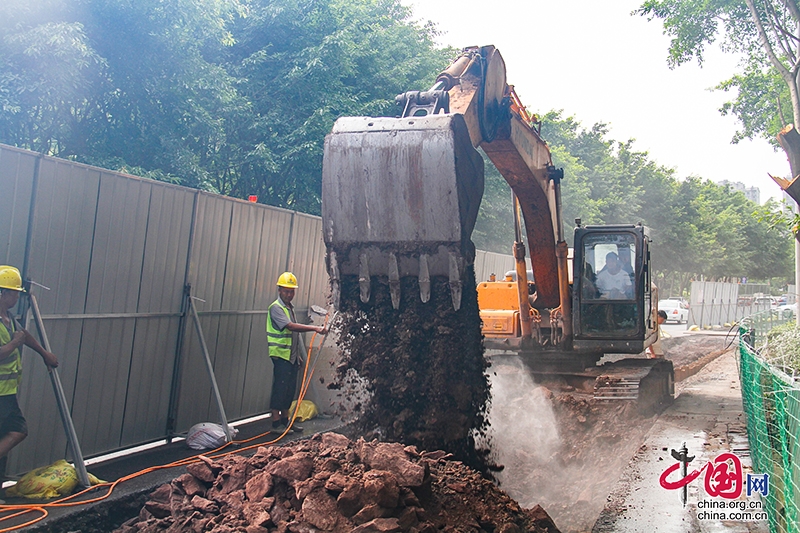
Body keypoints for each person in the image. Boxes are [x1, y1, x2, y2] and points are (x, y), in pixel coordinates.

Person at [0, 266, 58, 491]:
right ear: (2, 293)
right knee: (17, 430)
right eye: (14, 293)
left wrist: (45, 354)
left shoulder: (8, 318)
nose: (17, 297)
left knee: (14, 431)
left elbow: (24, 335)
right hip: (1, 393)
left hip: (7, 391)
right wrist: (14, 343)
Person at [267, 272, 327, 433]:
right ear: (279, 290)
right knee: (280, 388)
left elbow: (292, 335)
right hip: (280, 355)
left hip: (290, 356)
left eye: (292, 291)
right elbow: (291, 327)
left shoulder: (288, 308)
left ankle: (286, 421)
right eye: (286, 291)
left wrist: (297, 356)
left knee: (289, 389)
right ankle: (275, 423)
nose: (289, 294)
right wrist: (315, 328)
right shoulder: (276, 308)